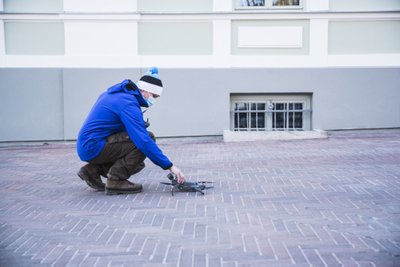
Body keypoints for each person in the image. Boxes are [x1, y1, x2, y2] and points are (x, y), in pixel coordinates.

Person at [76, 67, 185, 195]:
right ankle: (116, 181)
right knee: (147, 139)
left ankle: (92, 170)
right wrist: (170, 166)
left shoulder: (117, 95)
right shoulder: (128, 103)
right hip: (94, 147)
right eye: (154, 96)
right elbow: (143, 140)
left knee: (138, 163)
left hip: (89, 145)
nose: (154, 100)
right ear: (144, 90)